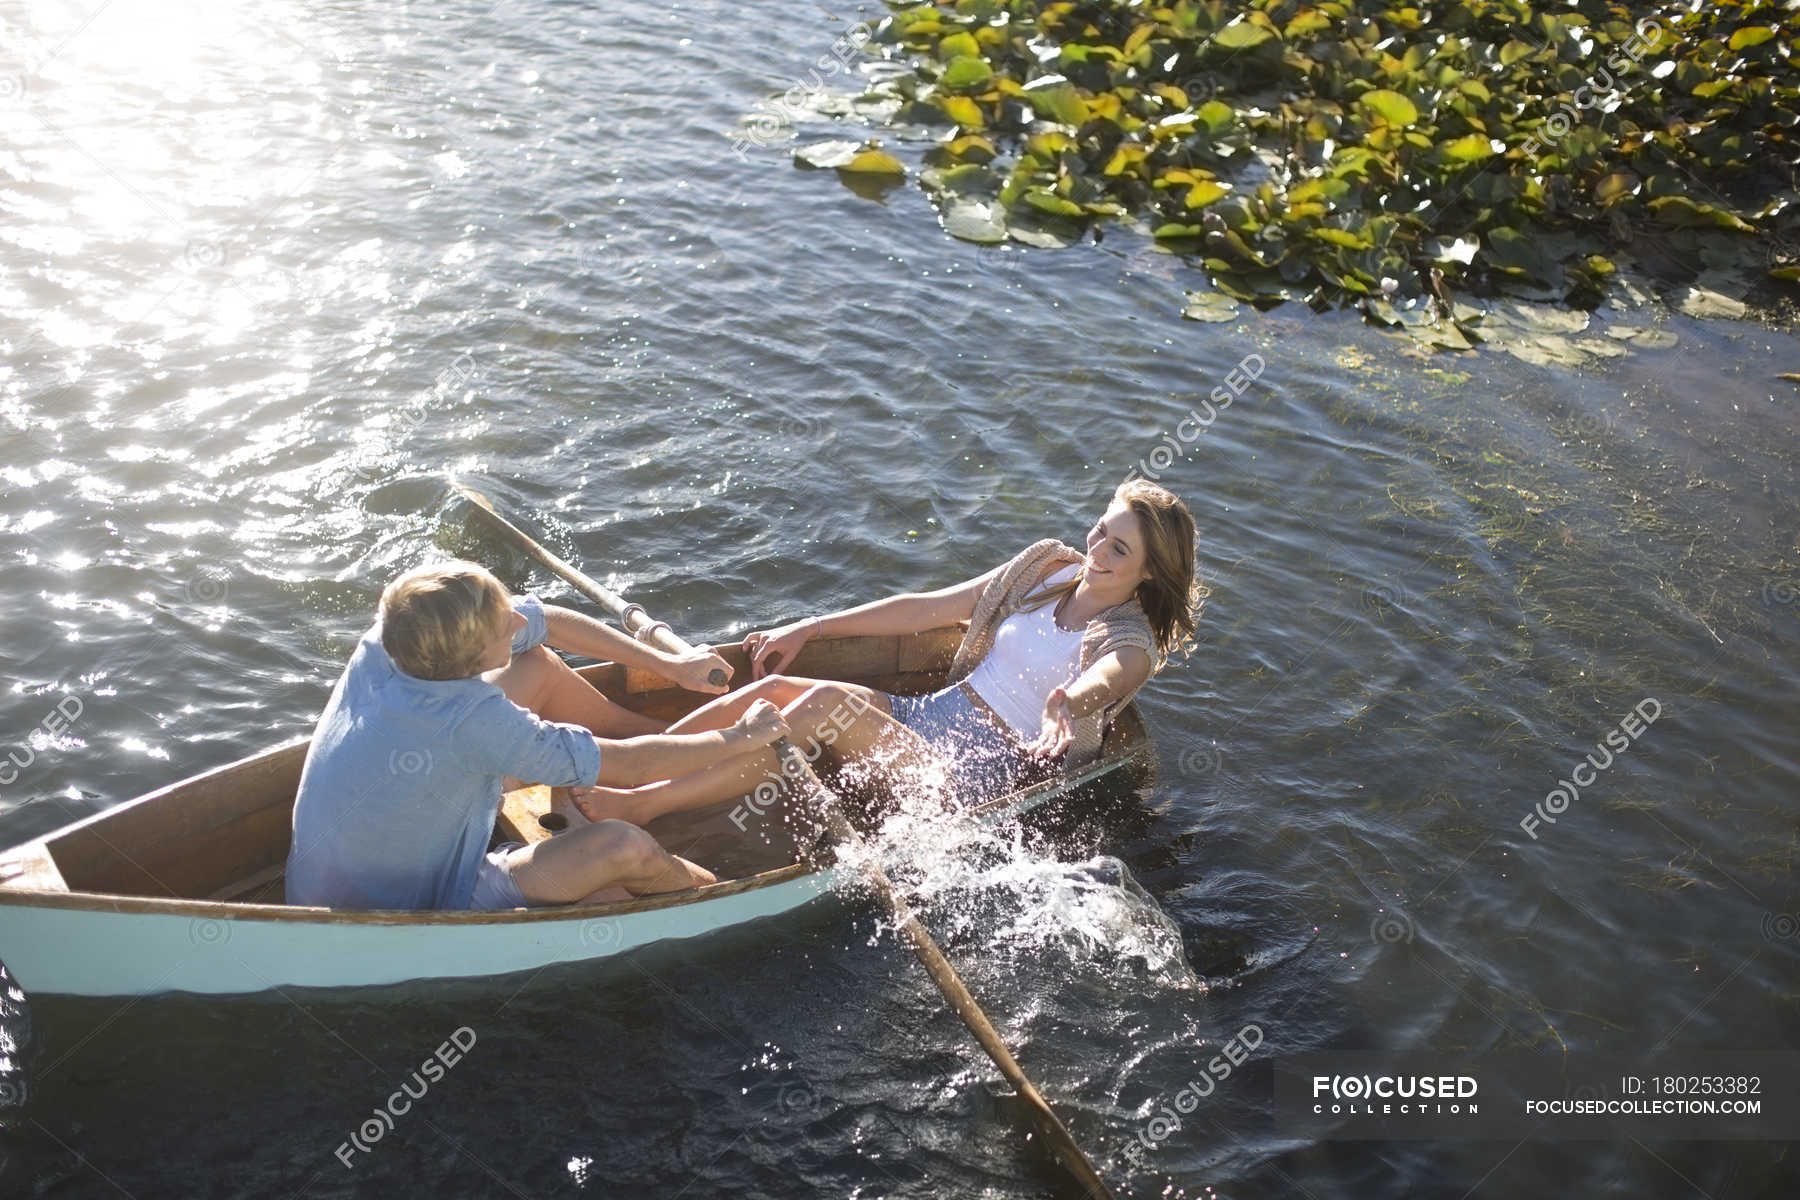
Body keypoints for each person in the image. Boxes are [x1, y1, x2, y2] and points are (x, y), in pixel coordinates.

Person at [571, 478, 1202, 826]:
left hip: (969, 773)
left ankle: (644, 802)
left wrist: (1071, 699)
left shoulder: (1130, 639)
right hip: (925, 717)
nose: (1097, 550)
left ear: (1149, 574)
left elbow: (1116, 674)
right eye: (1102, 530)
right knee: (772, 697)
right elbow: (928, 610)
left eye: (1120, 550)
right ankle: (636, 763)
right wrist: (812, 628)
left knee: (813, 711)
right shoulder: (1045, 567)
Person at [285, 561, 789, 911]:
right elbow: (631, 766)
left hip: (316, 878)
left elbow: (547, 622)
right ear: (471, 658)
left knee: (537, 664)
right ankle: (725, 898)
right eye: (503, 624)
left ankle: (672, 737)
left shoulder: (390, 639)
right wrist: (737, 737)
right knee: (622, 848)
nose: (520, 620)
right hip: (402, 912)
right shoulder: (474, 719)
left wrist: (670, 665)